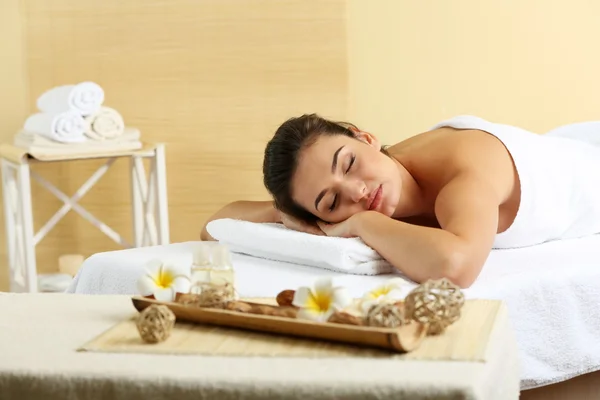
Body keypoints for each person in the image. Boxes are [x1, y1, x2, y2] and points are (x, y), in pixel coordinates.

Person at [201, 114, 600, 288]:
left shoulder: (463, 172)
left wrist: (361, 223)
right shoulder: (387, 178)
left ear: (364, 136)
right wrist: (284, 213)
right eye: (331, 201)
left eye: (349, 162)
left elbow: (455, 266)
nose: (356, 192)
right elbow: (213, 227)